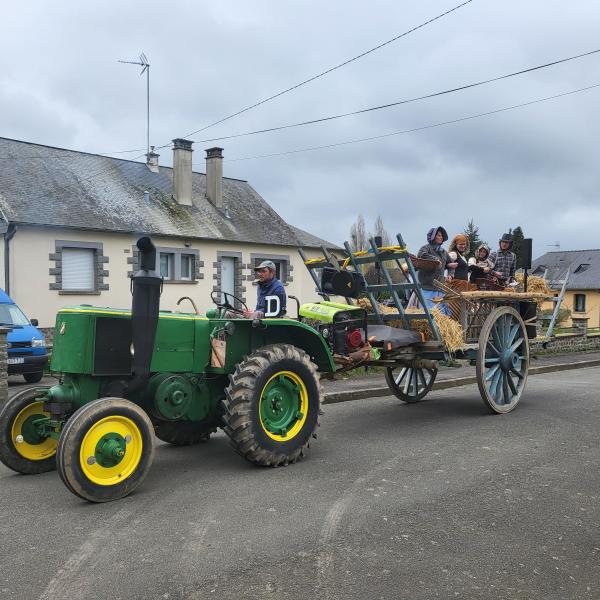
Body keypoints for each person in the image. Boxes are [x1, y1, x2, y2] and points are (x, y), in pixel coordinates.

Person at [415, 226, 456, 314]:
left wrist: (450, 275)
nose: (441, 237)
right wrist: (435, 260)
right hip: (428, 287)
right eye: (438, 235)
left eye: (442, 236)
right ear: (432, 236)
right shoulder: (425, 248)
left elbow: (451, 265)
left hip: (440, 287)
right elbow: (422, 255)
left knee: (441, 314)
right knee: (428, 313)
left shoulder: (444, 252)